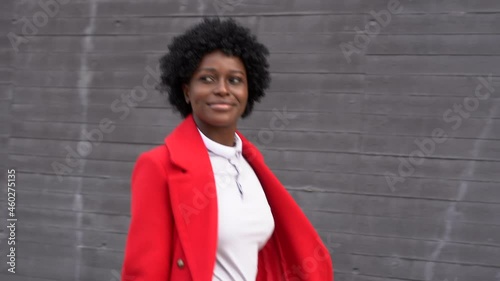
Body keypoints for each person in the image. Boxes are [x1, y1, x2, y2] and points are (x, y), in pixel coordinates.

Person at [121, 17, 333, 281]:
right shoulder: (159, 166)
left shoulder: (250, 165)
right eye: (207, 78)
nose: (222, 90)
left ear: (248, 91)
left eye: (234, 80)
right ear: (187, 91)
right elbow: (144, 271)